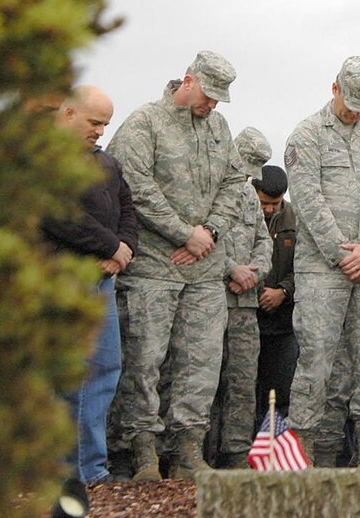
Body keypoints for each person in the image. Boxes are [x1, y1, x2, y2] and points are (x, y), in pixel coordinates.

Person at [107, 51, 244, 480]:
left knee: (201, 361)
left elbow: (235, 182)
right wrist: (183, 233)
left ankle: (187, 450)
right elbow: (134, 184)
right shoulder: (145, 122)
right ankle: (142, 452)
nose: (212, 105)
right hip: (153, 263)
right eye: (208, 95)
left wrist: (210, 233)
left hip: (204, 268)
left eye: (220, 99)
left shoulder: (219, 128)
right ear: (188, 81)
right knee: (145, 360)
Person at [284, 55, 360, 465]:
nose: (355, 111)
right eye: (349, 101)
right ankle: (305, 459)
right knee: (317, 365)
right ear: (334, 88)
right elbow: (308, 202)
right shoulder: (307, 135)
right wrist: (344, 253)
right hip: (322, 271)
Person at [42, 85, 137, 500]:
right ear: (67, 113)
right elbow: (56, 213)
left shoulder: (107, 164)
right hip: (61, 277)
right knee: (69, 377)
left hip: (102, 282)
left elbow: (128, 208)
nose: (100, 131)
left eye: (105, 124)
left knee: (105, 370)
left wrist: (124, 250)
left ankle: (91, 468)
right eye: (94, 122)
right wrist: (109, 245)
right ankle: (65, 471)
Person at [207, 127, 272, 468]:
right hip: (210, 298)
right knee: (204, 380)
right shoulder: (209, 184)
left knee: (243, 381)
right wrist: (231, 268)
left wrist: (254, 273)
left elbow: (265, 241)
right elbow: (200, 238)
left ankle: (235, 451)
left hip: (245, 305)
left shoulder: (249, 195)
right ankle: (197, 453)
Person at [252, 165, 299, 423]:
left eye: (275, 203)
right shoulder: (241, 214)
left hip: (284, 325)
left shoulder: (295, 219)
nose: (269, 209)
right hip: (248, 318)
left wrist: (283, 291)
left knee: (281, 393)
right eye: (264, 203)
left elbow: (304, 265)